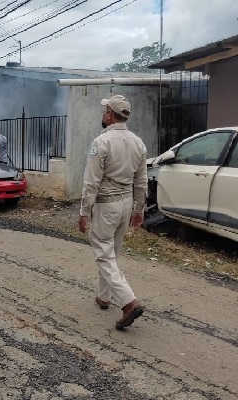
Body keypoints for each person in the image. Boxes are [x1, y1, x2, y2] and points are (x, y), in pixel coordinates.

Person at [78, 94, 147, 330]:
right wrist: (139, 209)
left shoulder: (101, 142)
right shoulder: (138, 142)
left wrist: (84, 211)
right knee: (112, 253)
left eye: (105, 110)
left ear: (109, 114)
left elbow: (91, 182)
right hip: (126, 204)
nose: (103, 114)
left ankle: (128, 301)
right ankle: (104, 297)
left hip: (107, 205)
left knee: (103, 253)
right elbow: (141, 181)